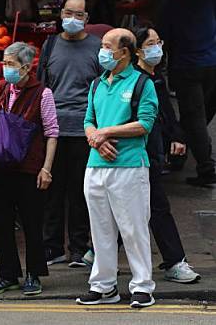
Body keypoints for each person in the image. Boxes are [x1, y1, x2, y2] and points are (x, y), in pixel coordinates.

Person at [76, 28, 158, 309]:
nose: (102, 51)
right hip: (96, 165)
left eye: (108, 46)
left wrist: (105, 132)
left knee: (133, 229)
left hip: (129, 166)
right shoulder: (97, 84)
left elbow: (144, 124)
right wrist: (96, 140)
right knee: (100, 231)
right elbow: (88, 120)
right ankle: (103, 286)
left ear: (124, 52)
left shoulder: (142, 83)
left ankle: (142, 286)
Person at [0, 41, 58, 296]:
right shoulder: (1, 91)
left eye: (10, 64)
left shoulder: (43, 94)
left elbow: (52, 133)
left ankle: (33, 274)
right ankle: (7, 274)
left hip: (29, 168)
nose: (6, 68)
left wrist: (46, 168)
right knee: (1, 223)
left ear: (26, 66)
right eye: (4, 63)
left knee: (32, 223)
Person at [37, 0, 102, 268]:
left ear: (86, 19)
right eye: (68, 12)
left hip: (84, 131)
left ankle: (78, 248)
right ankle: (52, 248)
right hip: (53, 130)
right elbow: (41, 85)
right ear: (61, 14)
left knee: (79, 193)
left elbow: (103, 88)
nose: (73, 18)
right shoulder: (50, 45)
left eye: (79, 14)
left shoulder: (98, 47)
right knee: (52, 191)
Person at [132, 26, 199, 283]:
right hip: (136, 154)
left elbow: (166, 112)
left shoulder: (155, 76)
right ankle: (173, 261)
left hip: (153, 153)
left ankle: (174, 261)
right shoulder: (134, 79)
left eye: (159, 41)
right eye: (151, 43)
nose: (157, 47)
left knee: (153, 206)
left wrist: (177, 136)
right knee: (146, 207)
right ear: (137, 50)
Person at [157, 0, 216, 186]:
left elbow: (164, 40)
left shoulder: (172, 6)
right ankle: (180, 152)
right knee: (199, 116)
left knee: (195, 119)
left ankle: (206, 169)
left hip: (187, 68)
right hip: (212, 64)